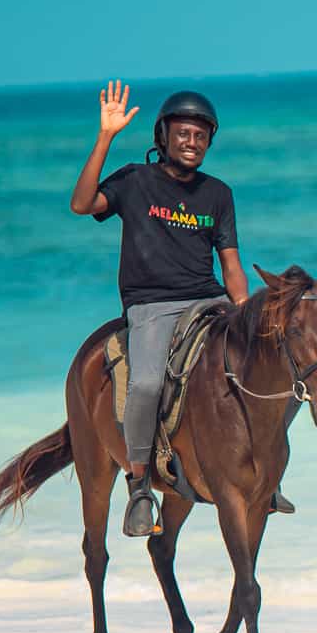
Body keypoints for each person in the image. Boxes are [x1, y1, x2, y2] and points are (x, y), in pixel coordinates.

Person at [69, 82, 249, 538]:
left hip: (209, 301)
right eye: (183, 133)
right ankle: (140, 484)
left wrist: (244, 311)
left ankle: (263, 474)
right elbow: (81, 204)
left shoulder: (218, 194)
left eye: (201, 136)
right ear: (163, 136)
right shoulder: (135, 181)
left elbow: (230, 262)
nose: (192, 142)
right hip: (151, 306)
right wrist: (105, 136)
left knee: (265, 365)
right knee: (147, 383)